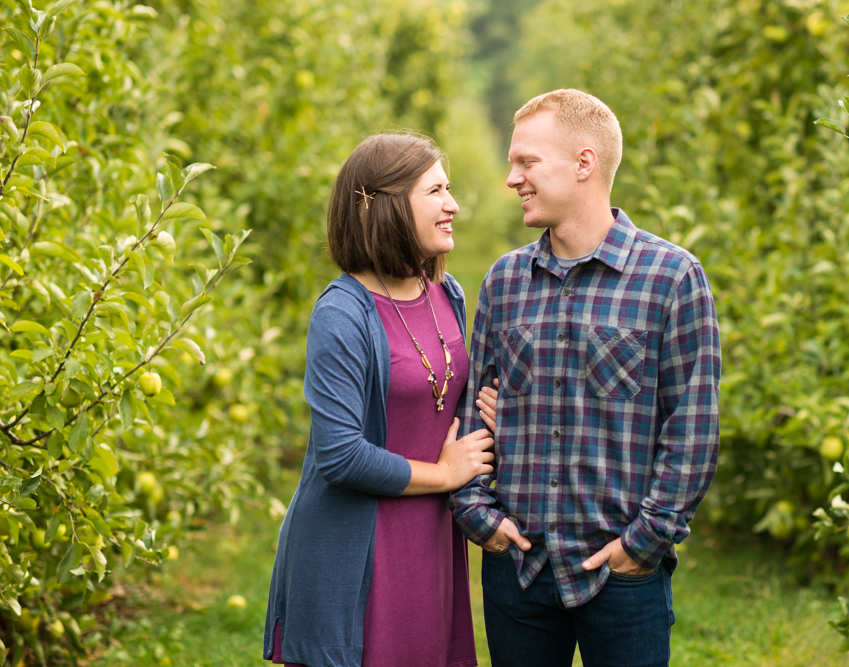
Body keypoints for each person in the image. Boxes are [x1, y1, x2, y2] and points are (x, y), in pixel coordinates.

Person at [449, 89, 722, 667]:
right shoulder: (504, 282)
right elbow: (474, 412)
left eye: (526, 162)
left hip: (621, 576)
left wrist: (643, 544)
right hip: (519, 569)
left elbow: (692, 428)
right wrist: (479, 517)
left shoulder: (671, 278)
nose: (512, 178)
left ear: (583, 163)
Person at [263, 133, 499, 667]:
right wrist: (445, 474)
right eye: (436, 191)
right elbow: (340, 455)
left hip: (429, 540)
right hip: (358, 545)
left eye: (450, 188)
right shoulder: (343, 314)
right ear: (390, 206)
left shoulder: (447, 293)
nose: (453, 204)